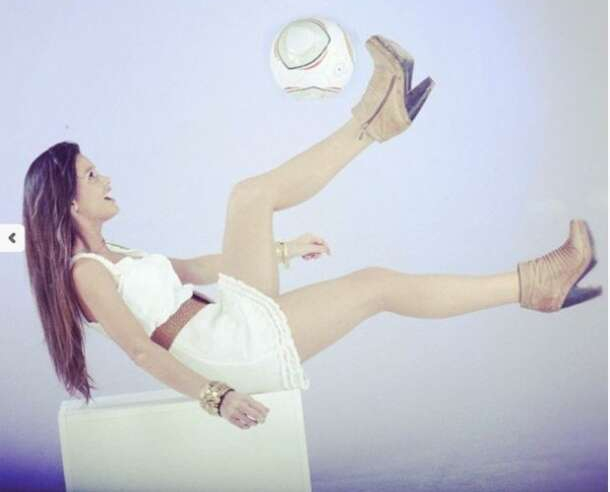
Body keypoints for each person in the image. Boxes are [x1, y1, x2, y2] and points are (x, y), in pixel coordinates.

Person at [22, 35, 601, 431]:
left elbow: (195, 269)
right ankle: (375, 121)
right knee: (250, 196)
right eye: (91, 175)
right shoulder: (85, 273)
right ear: (67, 201)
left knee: (375, 283)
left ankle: (535, 284)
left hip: (228, 326)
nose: (106, 179)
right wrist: (217, 398)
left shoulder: (116, 254)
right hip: (226, 352)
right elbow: (139, 350)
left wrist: (280, 250)